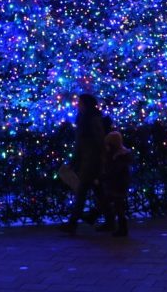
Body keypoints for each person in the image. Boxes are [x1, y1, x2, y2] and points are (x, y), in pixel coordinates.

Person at [59, 93, 106, 235]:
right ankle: (108, 220)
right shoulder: (85, 118)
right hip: (88, 159)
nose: (77, 105)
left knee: (82, 192)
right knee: (98, 192)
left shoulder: (90, 119)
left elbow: (96, 140)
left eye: (80, 102)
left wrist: (79, 159)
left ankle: (72, 223)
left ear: (85, 104)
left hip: (91, 161)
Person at [97, 131, 132, 237]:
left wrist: (105, 176)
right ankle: (119, 227)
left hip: (118, 185)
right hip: (118, 184)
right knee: (115, 204)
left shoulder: (118, 157)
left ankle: (122, 228)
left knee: (118, 206)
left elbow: (114, 171)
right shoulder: (121, 154)